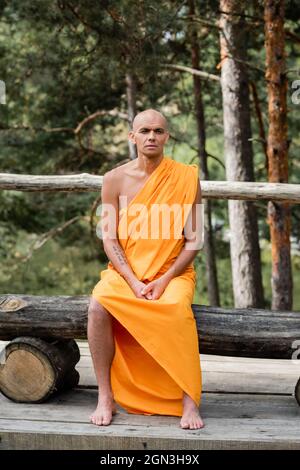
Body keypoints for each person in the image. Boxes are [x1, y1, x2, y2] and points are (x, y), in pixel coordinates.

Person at [88, 108, 204, 430]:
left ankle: (189, 400)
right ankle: (105, 396)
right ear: (133, 137)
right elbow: (109, 239)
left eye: (158, 131)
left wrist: (166, 279)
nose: (151, 137)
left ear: (167, 136)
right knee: (98, 306)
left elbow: (194, 241)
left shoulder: (187, 178)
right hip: (126, 273)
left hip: (174, 272)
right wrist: (134, 281)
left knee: (178, 309)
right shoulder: (114, 180)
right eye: (144, 131)